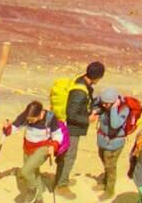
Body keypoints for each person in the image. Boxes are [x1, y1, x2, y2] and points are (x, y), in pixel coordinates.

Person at [57, 61, 105, 193]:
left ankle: (62, 179)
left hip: (73, 127)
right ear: (97, 77)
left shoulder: (83, 83)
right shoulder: (80, 91)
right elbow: (71, 114)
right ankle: (61, 185)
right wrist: (87, 119)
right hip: (71, 129)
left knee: (67, 155)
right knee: (69, 156)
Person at [6, 99, 66, 202]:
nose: (29, 121)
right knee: (34, 171)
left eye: (32, 120)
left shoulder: (50, 118)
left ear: (41, 114)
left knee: (25, 171)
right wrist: (6, 128)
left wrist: (53, 146)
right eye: (28, 119)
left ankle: (32, 190)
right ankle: (39, 198)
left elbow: (58, 135)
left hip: (43, 148)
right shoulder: (26, 115)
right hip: (28, 147)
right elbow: (14, 128)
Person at [94, 87, 138, 198]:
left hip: (114, 143)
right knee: (105, 162)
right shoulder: (104, 104)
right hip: (103, 141)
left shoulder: (123, 109)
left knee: (111, 166)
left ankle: (109, 190)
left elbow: (115, 124)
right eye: (103, 103)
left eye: (106, 104)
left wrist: (113, 108)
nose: (103, 105)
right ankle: (105, 182)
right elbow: (93, 106)